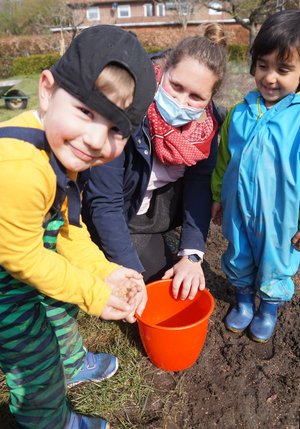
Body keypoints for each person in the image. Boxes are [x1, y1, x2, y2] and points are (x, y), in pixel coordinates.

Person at [0, 25, 156, 429]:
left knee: (57, 304)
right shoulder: (20, 168)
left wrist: (106, 271)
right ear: (47, 91)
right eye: (86, 112)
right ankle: (51, 420)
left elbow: (68, 231)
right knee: (35, 367)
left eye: (115, 129)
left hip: (21, 264)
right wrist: (93, 293)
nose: (93, 139)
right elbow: (24, 258)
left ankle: (72, 361)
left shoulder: (60, 153)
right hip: (8, 280)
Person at [81, 24, 227, 313]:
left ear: (209, 102)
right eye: (176, 86)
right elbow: (105, 202)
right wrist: (130, 273)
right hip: (113, 209)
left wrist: (192, 255)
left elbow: (199, 189)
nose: (180, 102)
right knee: (147, 277)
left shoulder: (207, 128)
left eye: (196, 97)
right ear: (163, 71)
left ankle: (151, 238)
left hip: (152, 206)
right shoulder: (126, 107)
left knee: (174, 271)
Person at [211, 10, 300, 343]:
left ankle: (268, 309)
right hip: (238, 210)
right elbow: (224, 159)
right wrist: (218, 196)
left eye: (284, 69)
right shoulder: (239, 112)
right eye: (263, 66)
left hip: (282, 217)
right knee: (238, 254)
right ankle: (245, 302)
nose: (270, 77)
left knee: (276, 262)